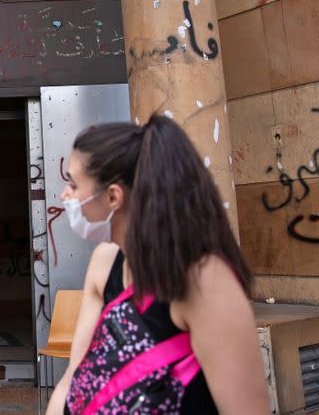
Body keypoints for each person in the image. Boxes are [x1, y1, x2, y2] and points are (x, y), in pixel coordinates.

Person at [46, 115, 269, 414]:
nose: (65, 196)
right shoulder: (104, 262)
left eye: (73, 184)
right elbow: (73, 376)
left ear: (113, 196)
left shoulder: (206, 283)